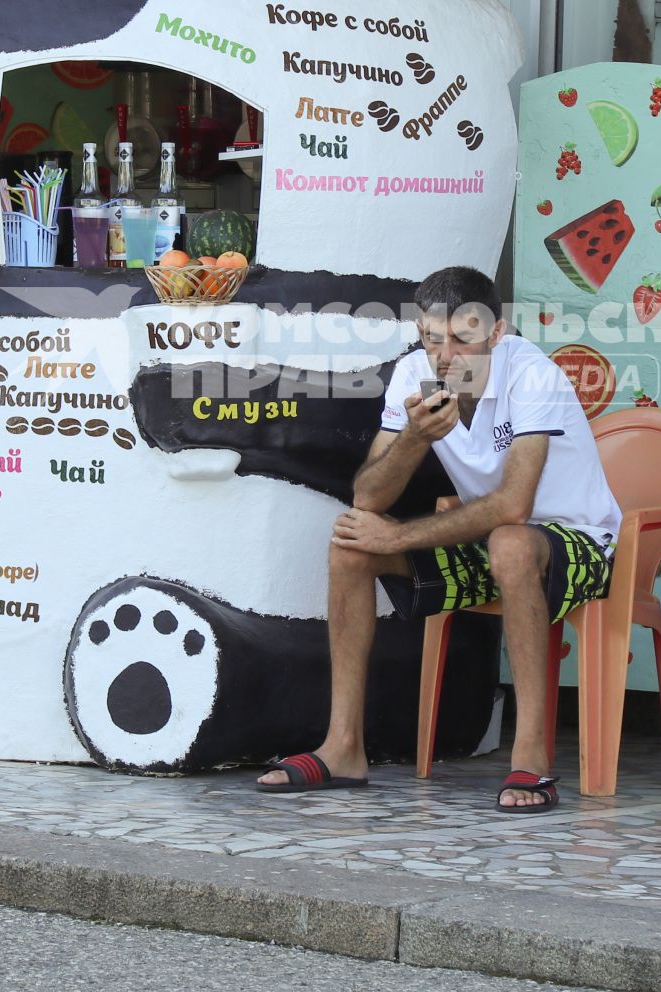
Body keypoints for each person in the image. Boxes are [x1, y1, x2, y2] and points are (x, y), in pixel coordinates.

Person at [255, 266, 622, 811]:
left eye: (462, 338)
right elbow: (369, 499)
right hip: (490, 542)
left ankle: (531, 755)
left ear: (496, 334)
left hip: (579, 543)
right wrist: (412, 439)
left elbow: (514, 506)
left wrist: (399, 537)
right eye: (431, 339)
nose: (445, 355)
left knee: (512, 542)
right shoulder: (413, 376)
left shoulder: (532, 374)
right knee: (352, 545)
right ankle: (343, 747)